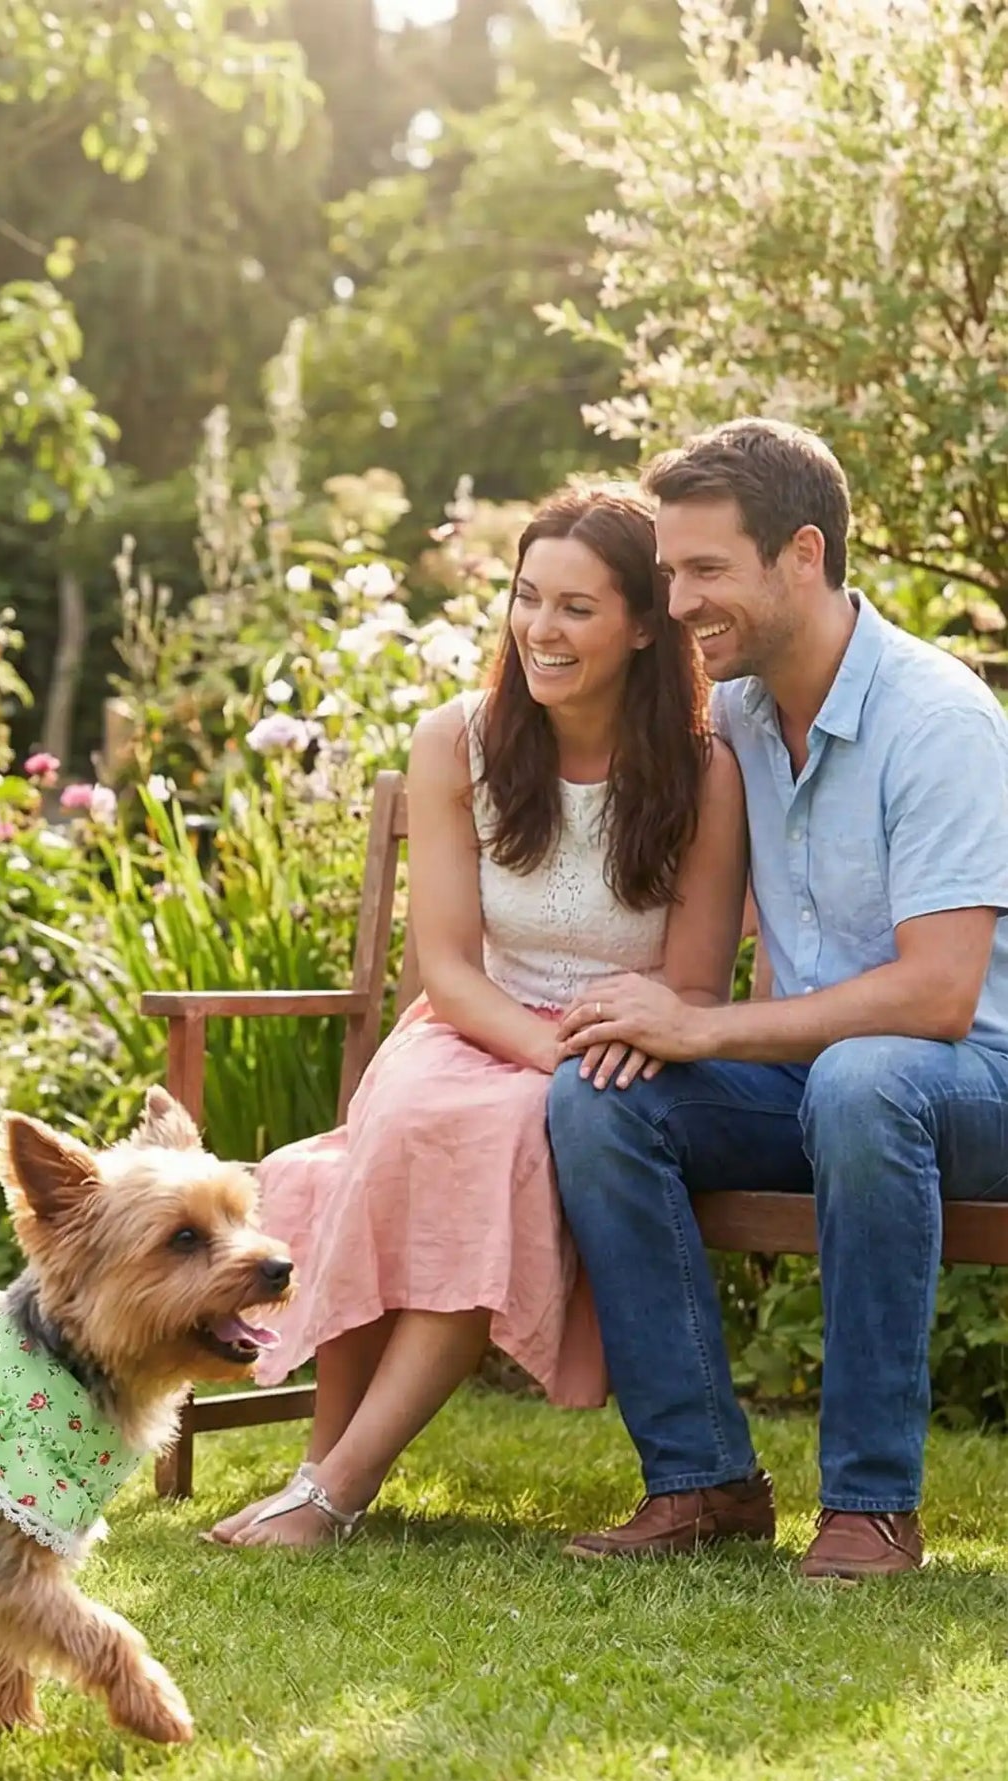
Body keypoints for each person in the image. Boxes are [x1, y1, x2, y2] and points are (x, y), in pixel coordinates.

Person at [209, 484, 746, 1547]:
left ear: (643, 624)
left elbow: (690, 988)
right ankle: (316, 1475)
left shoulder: (701, 770)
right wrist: (538, 1046)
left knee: (489, 1138)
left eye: (576, 607)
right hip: (471, 1026)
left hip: (620, 1050)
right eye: (525, 597)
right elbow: (447, 969)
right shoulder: (457, 739)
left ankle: (334, 1489)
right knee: (410, 1123)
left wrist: (578, 1055)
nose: (540, 629)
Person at [552, 418, 1008, 1580]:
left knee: (864, 1078)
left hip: (966, 1087)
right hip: (822, 1085)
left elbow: (939, 993)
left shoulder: (937, 720)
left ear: (800, 554)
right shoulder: (740, 717)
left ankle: (868, 1505)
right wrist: (657, 1023)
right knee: (600, 1095)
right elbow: (709, 970)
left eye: (705, 570)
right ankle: (701, 1478)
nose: (679, 600)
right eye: (667, 572)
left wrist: (702, 1026)